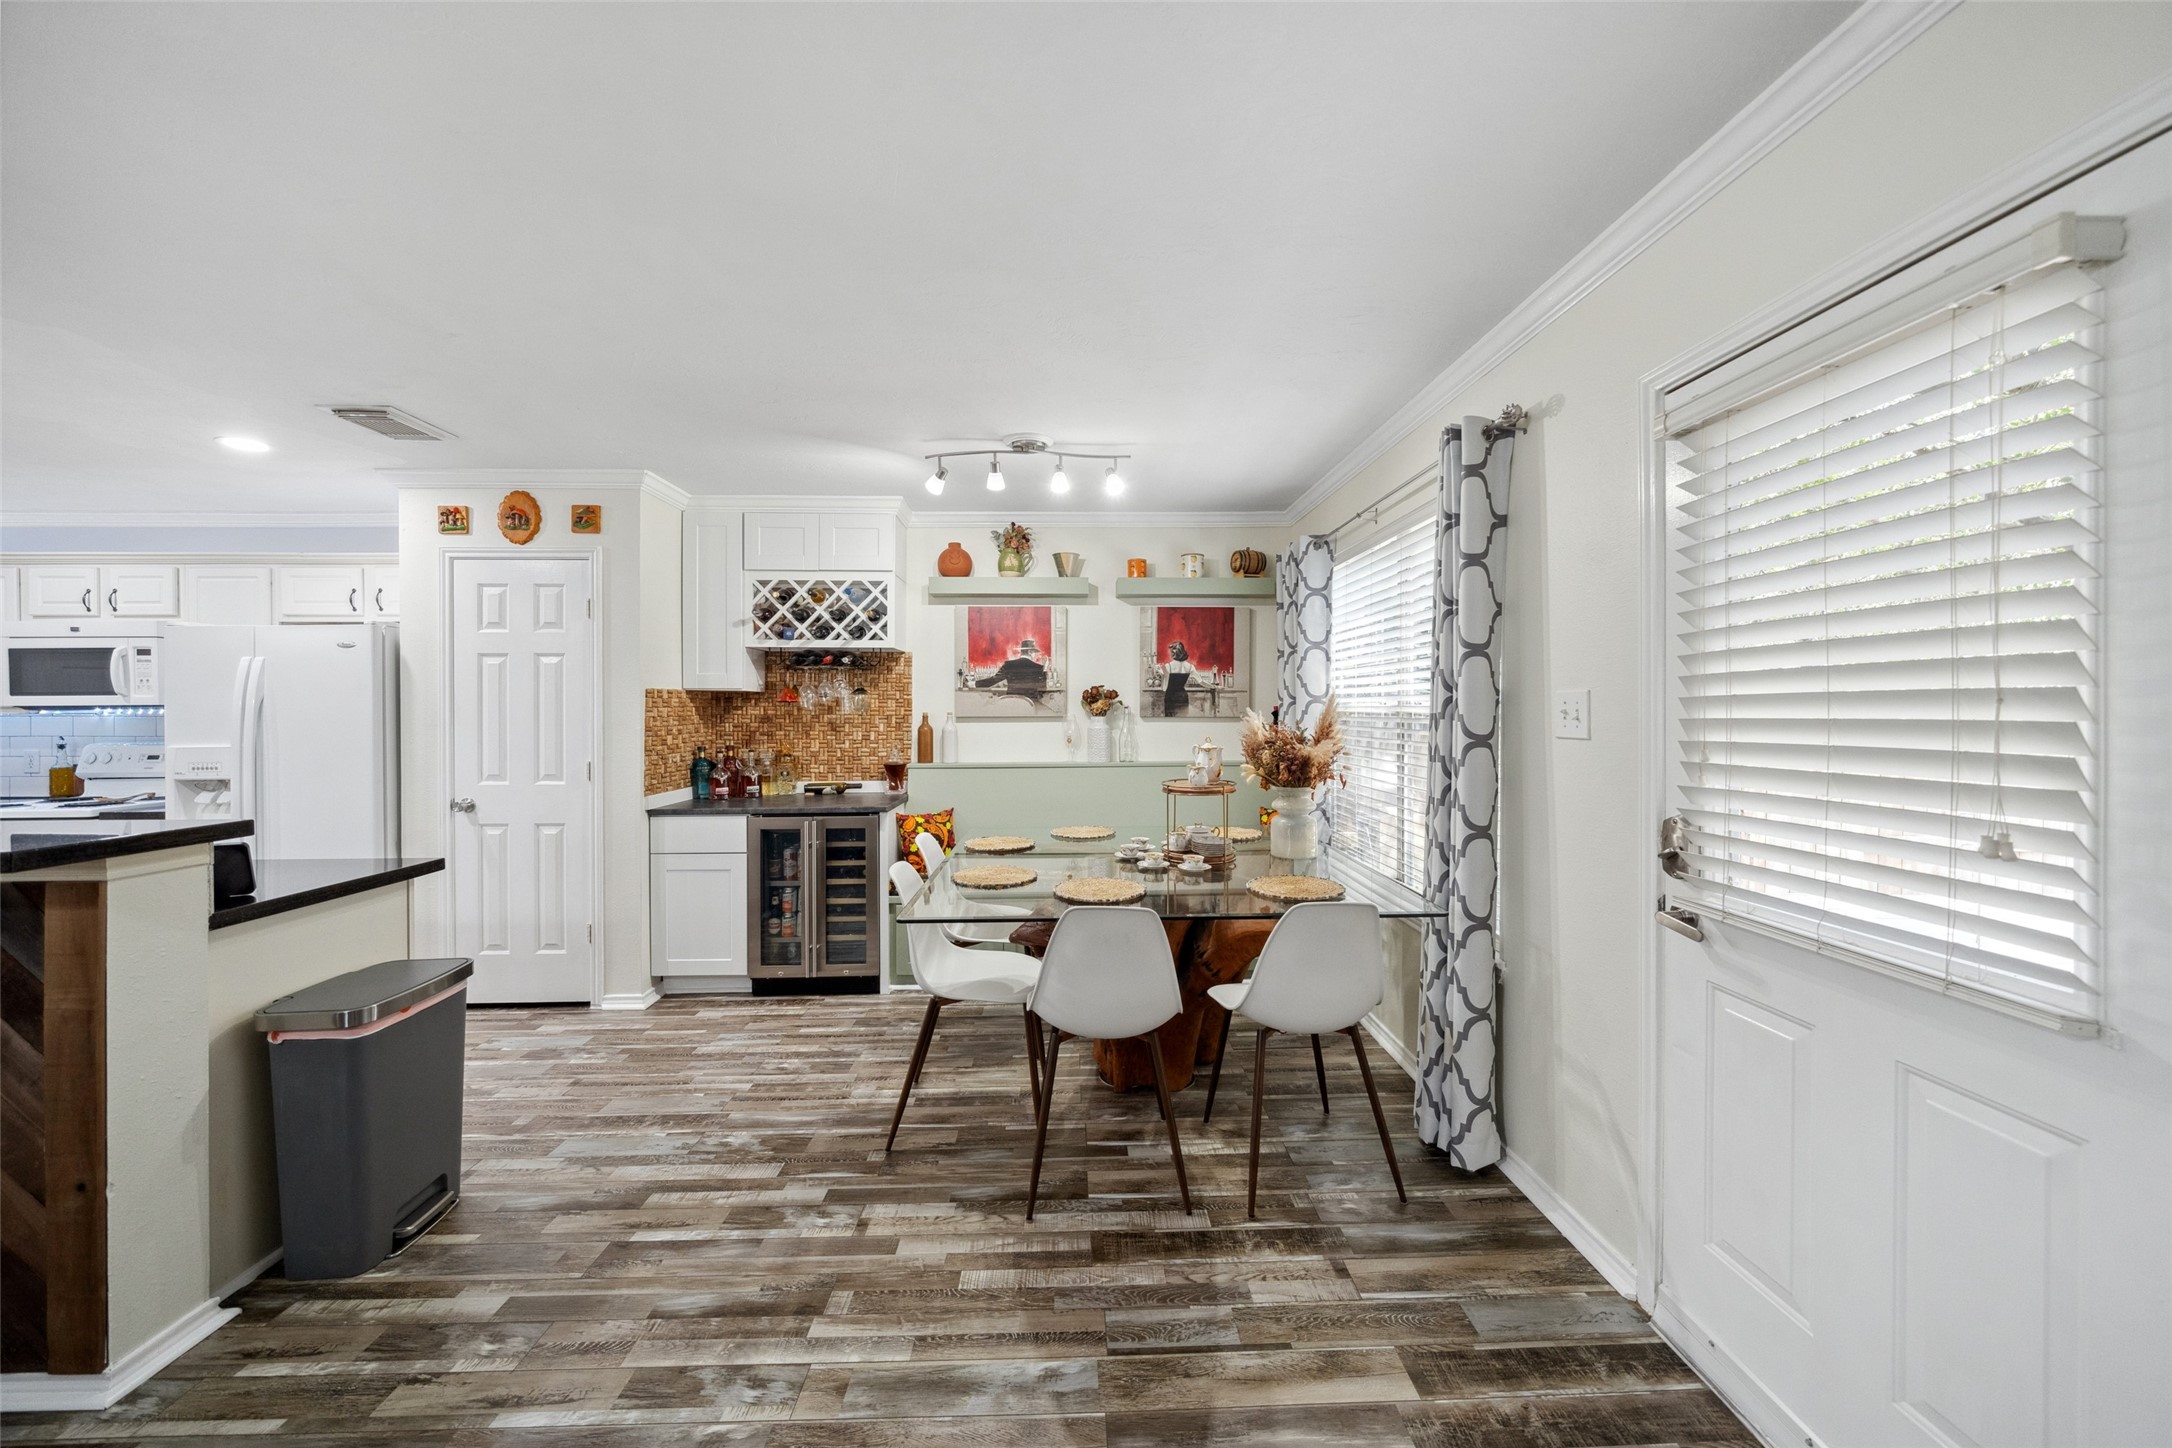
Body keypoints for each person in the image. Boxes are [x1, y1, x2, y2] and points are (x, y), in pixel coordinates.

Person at [977, 636, 1050, 700]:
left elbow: (993, 680)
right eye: (1034, 652)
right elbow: (1043, 687)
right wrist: (1045, 668)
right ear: (1030, 652)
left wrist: (975, 683)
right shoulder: (1038, 667)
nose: (1035, 655)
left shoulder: (1008, 665)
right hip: (1029, 704)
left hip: (1012, 703)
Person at [1162, 639, 1193, 715]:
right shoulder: (1189, 666)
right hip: (1183, 697)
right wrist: (1213, 686)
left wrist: (1162, 674)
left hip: (1170, 698)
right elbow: (1201, 681)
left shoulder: (1167, 666)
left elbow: (1164, 688)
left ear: (1173, 653)